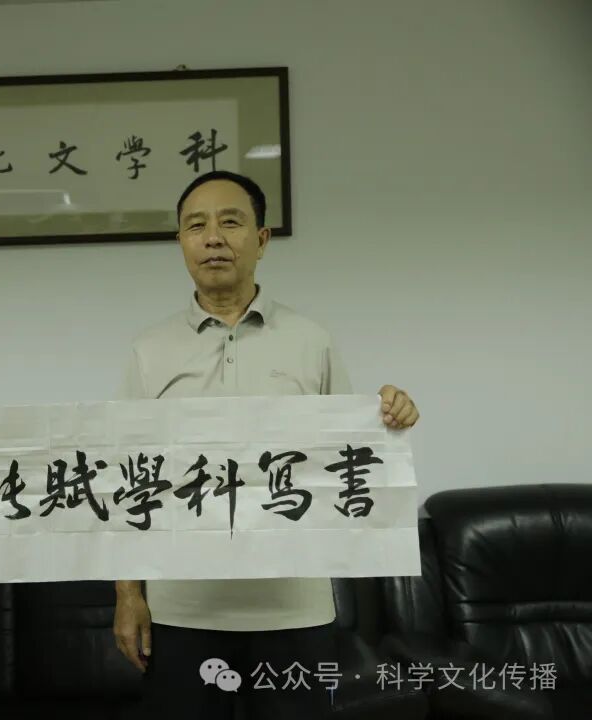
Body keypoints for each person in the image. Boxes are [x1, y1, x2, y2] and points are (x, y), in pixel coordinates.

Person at [112, 170, 420, 719]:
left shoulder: (311, 340)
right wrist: (129, 596)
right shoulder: (148, 350)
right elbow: (129, 482)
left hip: (294, 610)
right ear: (180, 242)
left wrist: (390, 415)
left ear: (261, 239)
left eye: (230, 222)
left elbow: (350, 457)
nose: (213, 238)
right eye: (196, 226)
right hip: (183, 610)